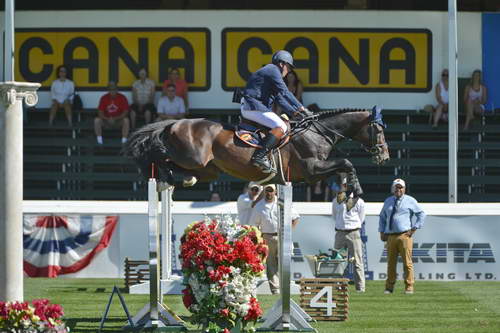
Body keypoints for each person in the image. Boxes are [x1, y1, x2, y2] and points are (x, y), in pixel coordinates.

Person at [240, 50, 312, 173]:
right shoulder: (273, 70)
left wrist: (295, 113)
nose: (289, 71)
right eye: (288, 67)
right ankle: (260, 156)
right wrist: (302, 108)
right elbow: (285, 92)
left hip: (253, 107)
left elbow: (279, 98)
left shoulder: (271, 73)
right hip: (253, 107)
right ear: (281, 64)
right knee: (281, 126)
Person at [249, 184, 299, 294]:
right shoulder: (259, 206)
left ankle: (285, 287)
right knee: (270, 264)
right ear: (264, 191)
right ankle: (275, 290)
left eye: (271, 191)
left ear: (275, 191)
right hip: (267, 236)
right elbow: (254, 225)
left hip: (283, 235)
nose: (269, 193)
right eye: (267, 190)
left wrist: (289, 232)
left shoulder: (283, 202)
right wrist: (259, 239)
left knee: (284, 262)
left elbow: (295, 218)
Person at [378, 179, 426, 295]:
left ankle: (409, 286)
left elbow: (421, 214)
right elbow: (382, 217)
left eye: (401, 187)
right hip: (391, 236)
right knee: (391, 264)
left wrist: (414, 228)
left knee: (407, 263)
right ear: (393, 188)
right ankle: (389, 287)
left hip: (405, 235)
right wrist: (382, 231)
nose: (398, 189)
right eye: (396, 187)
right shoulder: (388, 201)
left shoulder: (410, 200)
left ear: (404, 189)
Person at [332, 180, 366, 292]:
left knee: (357, 261)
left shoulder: (359, 201)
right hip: (340, 233)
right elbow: (335, 216)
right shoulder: (336, 201)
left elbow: (361, 217)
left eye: (347, 185)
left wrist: (353, 227)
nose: (345, 187)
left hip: (353, 232)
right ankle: (337, 287)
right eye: (343, 185)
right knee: (337, 262)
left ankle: (360, 288)